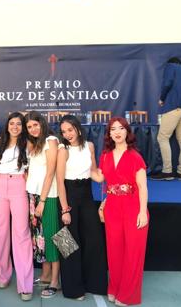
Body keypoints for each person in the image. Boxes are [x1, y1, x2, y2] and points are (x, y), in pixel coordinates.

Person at [92, 117, 149, 306]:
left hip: (133, 206)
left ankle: (128, 294)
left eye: (121, 128)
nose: (117, 132)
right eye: (113, 129)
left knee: (133, 252)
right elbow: (99, 178)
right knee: (114, 251)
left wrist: (142, 212)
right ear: (109, 134)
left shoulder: (135, 156)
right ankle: (114, 288)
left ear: (127, 132)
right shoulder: (106, 155)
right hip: (113, 207)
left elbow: (142, 187)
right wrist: (86, 156)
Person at [56, 115, 108, 300]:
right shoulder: (63, 151)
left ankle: (94, 283)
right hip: (67, 196)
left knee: (93, 239)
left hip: (86, 195)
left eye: (70, 129)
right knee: (67, 244)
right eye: (63, 131)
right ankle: (72, 289)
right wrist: (64, 210)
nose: (67, 134)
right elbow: (59, 182)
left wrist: (109, 172)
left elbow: (94, 173)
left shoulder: (90, 146)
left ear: (78, 129)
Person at [0, 112, 33, 301]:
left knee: (21, 233)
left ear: (23, 127)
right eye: (12, 123)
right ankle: (3, 274)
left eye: (18, 124)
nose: (15, 126)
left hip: (19, 185)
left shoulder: (28, 144)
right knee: (1, 232)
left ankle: (25, 284)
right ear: (7, 125)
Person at [24, 111, 60, 298]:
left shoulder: (51, 140)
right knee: (41, 238)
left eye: (35, 125)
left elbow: (51, 172)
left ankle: (56, 280)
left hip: (49, 197)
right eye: (29, 127)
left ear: (42, 123)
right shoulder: (35, 144)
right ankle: (46, 275)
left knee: (54, 236)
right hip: (34, 195)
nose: (33, 129)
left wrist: (43, 201)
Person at [151, 57, 181, 181]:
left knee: (162, 137)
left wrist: (162, 98)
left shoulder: (170, 67)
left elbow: (167, 82)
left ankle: (167, 172)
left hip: (174, 106)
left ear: (170, 63)